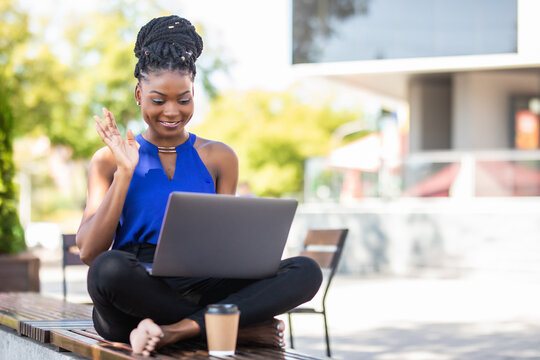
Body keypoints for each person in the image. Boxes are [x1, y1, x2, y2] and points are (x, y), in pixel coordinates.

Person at [76, 15, 322, 356]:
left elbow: (226, 245)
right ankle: (235, 327)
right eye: (158, 100)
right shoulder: (108, 159)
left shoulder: (219, 157)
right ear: (138, 93)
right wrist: (124, 173)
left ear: (194, 94)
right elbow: (90, 252)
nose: (172, 111)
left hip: (203, 279)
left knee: (306, 271)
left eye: (184, 99)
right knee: (107, 271)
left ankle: (176, 330)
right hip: (136, 285)